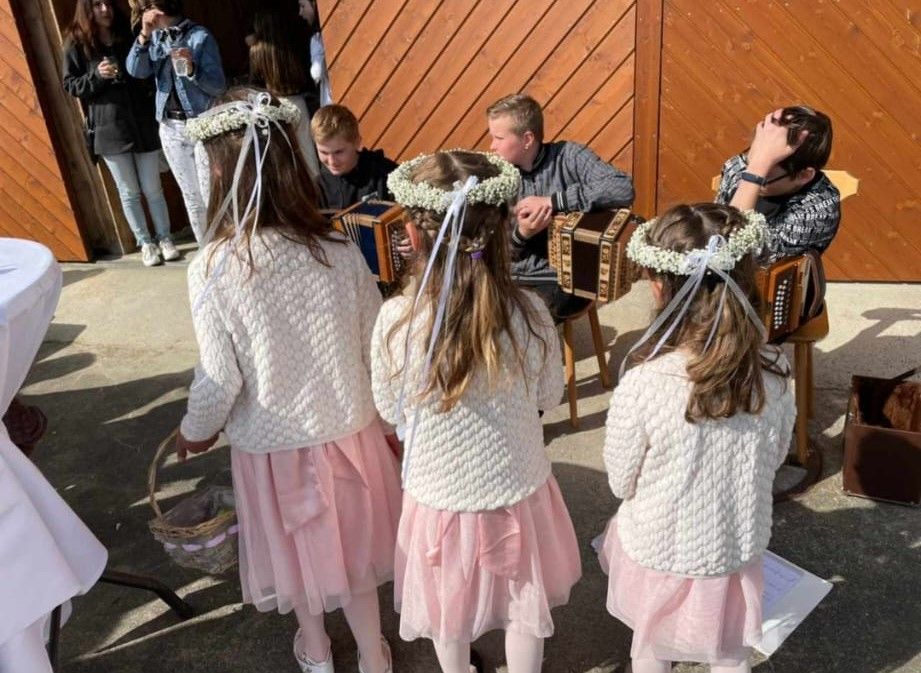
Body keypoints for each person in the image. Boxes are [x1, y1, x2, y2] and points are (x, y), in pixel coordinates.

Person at [177, 88, 401, 673]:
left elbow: (218, 376)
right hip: (347, 432)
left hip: (273, 448)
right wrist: (390, 422)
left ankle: (319, 650)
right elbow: (374, 344)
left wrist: (194, 432)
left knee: (298, 558)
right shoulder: (336, 246)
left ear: (218, 172)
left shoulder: (214, 268)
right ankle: (373, 653)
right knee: (352, 555)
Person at [372, 150, 581, 673]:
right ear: (501, 227)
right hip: (515, 483)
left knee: (446, 604)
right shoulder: (530, 312)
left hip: (438, 490)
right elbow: (549, 395)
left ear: (415, 237)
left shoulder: (398, 319)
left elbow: (386, 404)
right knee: (522, 600)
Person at [598, 203, 796, 673]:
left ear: (659, 287)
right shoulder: (774, 374)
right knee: (730, 649)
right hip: (733, 544)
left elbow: (620, 481)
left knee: (650, 645)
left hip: (658, 547)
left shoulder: (646, 382)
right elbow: (775, 456)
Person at [486, 93, 634, 321]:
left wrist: (554, 202)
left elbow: (622, 188)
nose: (491, 146)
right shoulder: (495, 177)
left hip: (566, 278)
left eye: (498, 138)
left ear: (527, 139)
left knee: (523, 318)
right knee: (476, 311)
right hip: (513, 276)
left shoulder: (569, 156)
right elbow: (493, 250)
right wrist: (522, 234)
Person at [63, 0, 177, 267]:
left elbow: (146, 70)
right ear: (87, 10)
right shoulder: (76, 42)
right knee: (128, 192)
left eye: (107, 3)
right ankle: (146, 243)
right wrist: (97, 76)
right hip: (110, 128)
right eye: (97, 5)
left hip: (142, 122)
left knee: (153, 188)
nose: (105, 9)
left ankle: (165, 238)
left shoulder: (128, 33)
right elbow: (70, 84)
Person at [126, 0, 226, 244]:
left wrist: (192, 70)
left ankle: (225, 249)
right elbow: (135, 70)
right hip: (171, 127)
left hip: (201, 124)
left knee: (210, 194)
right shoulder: (155, 39)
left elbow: (218, 86)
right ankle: (207, 255)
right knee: (192, 197)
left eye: (149, 6)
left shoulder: (199, 36)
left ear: (159, 10)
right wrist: (144, 35)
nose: (145, 12)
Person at [716, 106, 840, 261]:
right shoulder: (740, 167)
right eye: (750, 160)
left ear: (804, 176)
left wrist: (756, 171)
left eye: (764, 173)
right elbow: (714, 240)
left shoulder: (818, 208)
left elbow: (731, 250)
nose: (747, 173)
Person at [248, 7, 322, 180]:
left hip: (274, 106)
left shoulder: (256, 52)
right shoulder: (291, 44)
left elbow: (254, 85)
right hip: (298, 102)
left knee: (287, 160)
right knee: (309, 158)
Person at [310, 104, 398, 210]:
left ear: (357, 142)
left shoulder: (384, 174)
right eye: (324, 152)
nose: (332, 161)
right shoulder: (318, 188)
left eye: (338, 152)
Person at [297, 0, 332, 110]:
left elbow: (316, 73)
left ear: (314, 4)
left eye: (303, 6)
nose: (300, 12)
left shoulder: (317, 39)